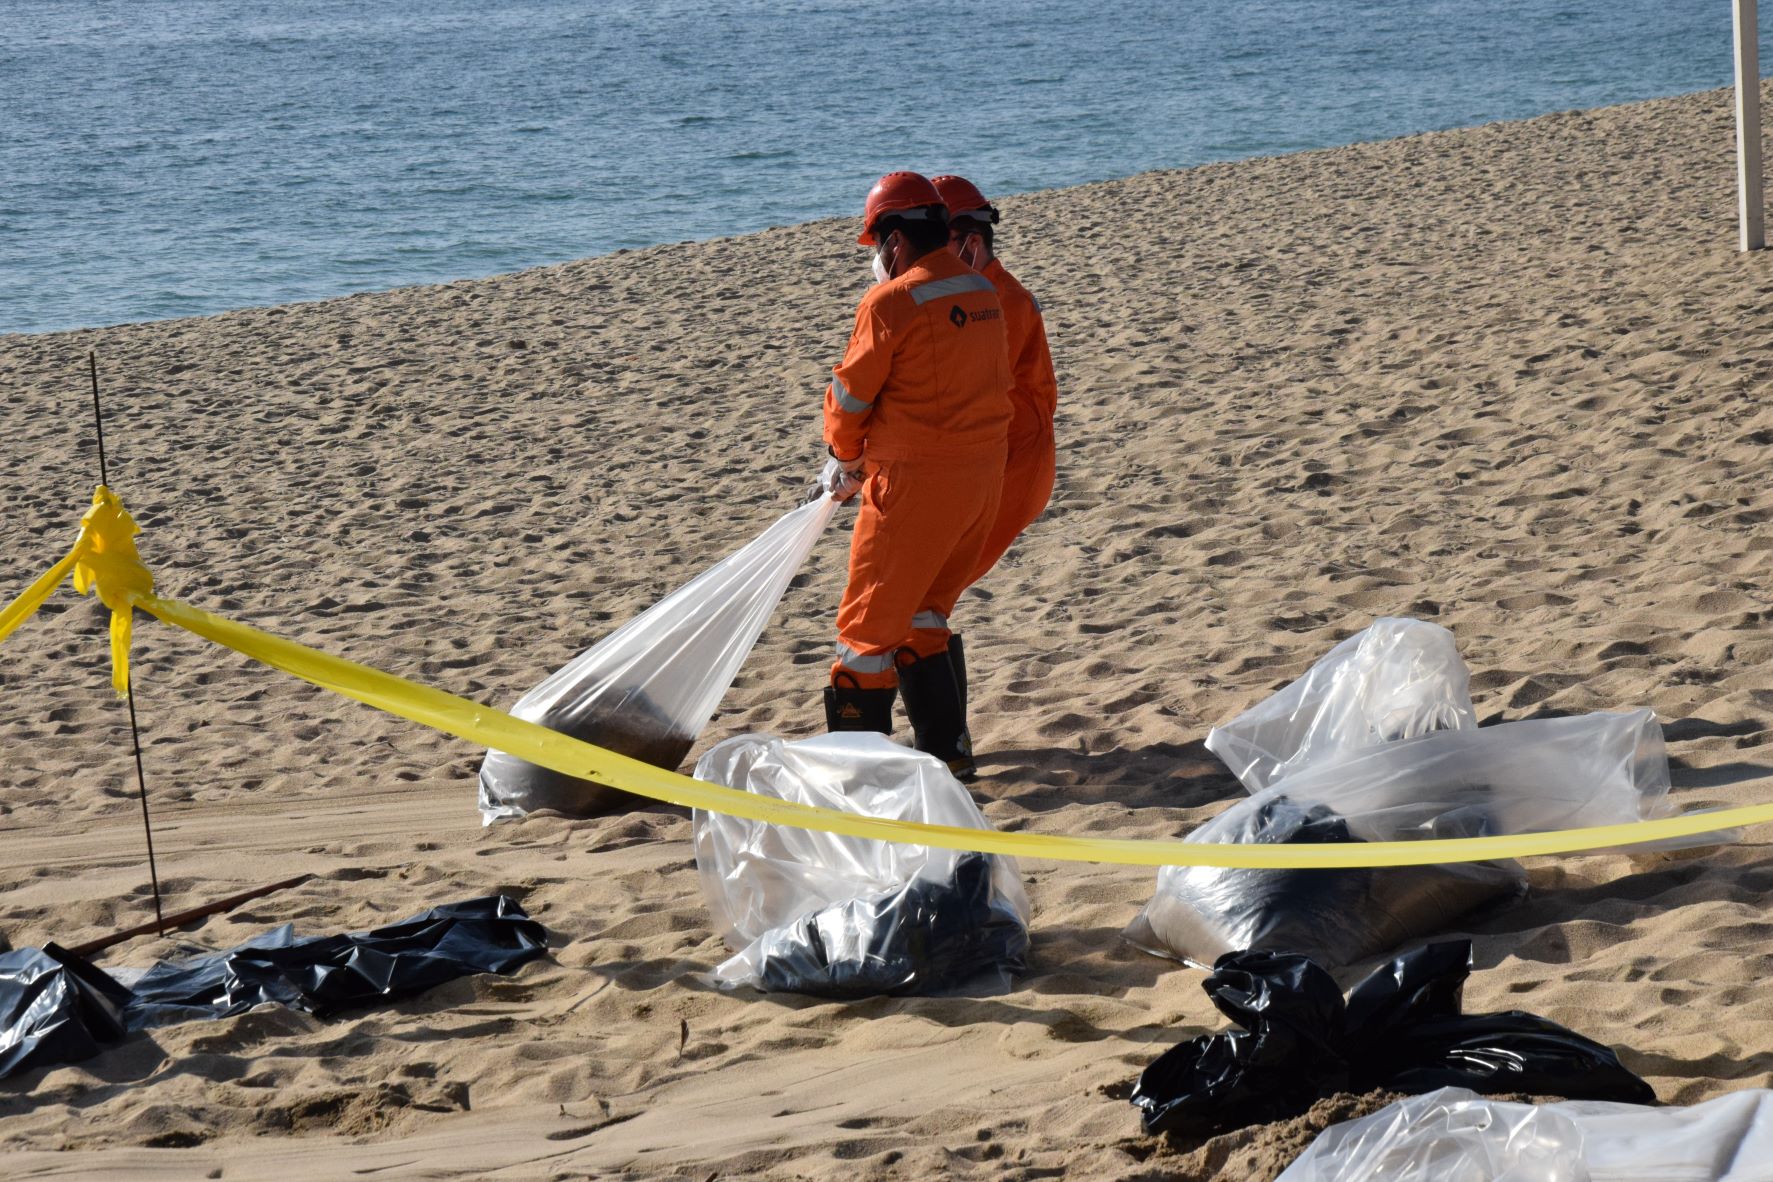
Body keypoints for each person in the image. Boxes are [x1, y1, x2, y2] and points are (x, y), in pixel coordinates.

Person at [818, 171, 1012, 779]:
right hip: (980, 482)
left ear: (894, 240)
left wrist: (844, 459)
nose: (877, 259)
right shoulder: (982, 292)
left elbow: (851, 396)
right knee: (926, 615)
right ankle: (948, 756)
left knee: (864, 632)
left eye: (877, 245)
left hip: (912, 488)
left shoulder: (891, 302)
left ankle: (862, 778)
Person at [928, 174, 1059, 751]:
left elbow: (963, 403)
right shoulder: (983, 292)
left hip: (1011, 469)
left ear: (969, 242)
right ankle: (947, 746)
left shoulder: (992, 302)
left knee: (921, 602)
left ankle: (948, 750)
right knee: (924, 602)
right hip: (1006, 464)